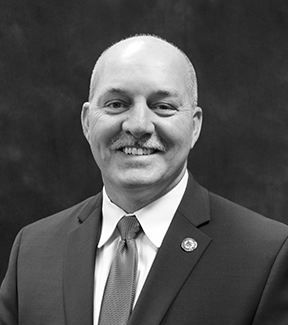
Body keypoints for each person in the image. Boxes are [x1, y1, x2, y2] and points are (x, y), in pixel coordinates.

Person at [1, 35, 288, 325]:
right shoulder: (32, 249)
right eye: (116, 104)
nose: (138, 124)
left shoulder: (267, 256)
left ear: (195, 126)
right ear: (87, 121)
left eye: (163, 106)